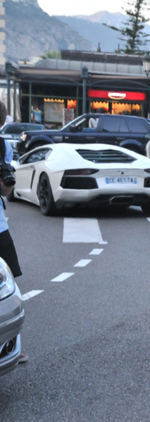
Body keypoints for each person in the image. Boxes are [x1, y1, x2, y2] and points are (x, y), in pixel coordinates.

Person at [0, 126, 25, 362]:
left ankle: (9, 345)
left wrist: (8, 181)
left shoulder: (2, 146)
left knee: (8, 285)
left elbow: (6, 190)